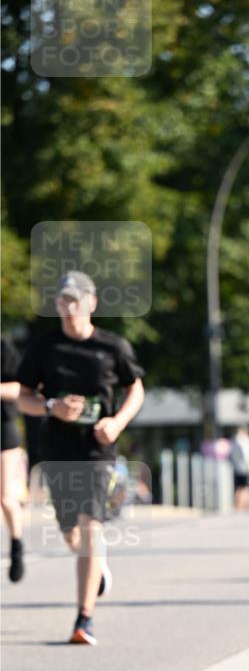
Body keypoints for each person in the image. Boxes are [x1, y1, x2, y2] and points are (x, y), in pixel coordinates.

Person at [17, 271, 144, 644]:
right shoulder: (44, 348)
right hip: (56, 448)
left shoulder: (112, 347)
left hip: (96, 450)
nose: (69, 308)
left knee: (91, 528)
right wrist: (52, 406)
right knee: (71, 533)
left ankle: (83, 619)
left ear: (91, 303)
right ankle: (98, 567)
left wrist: (117, 423)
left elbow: (135, 389)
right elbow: (25, 396)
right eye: (63, 301)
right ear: (56, 305)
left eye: (76, 300)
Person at [1, 336, 25, 582]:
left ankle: (16, 545)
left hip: (3, 429)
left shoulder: (3, 346)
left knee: (5, 496)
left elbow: (20, 388)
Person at [230, 426, 249, 511]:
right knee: (246, 488)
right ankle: (243, 505)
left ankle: (238, 505)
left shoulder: (235, 441)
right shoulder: (246, 442)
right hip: (246, 468)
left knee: (239, 487)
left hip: (237, 467)